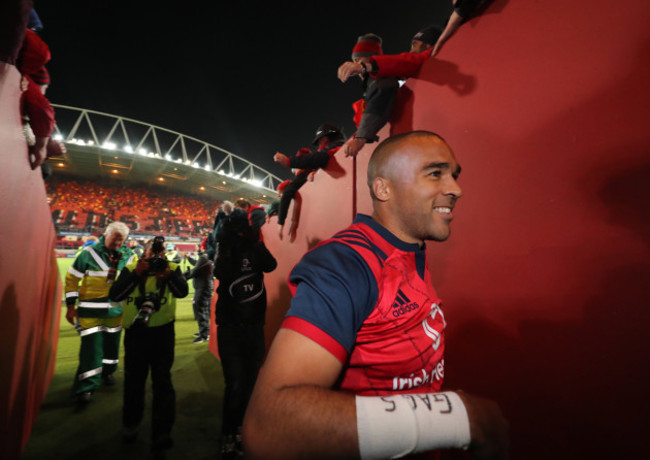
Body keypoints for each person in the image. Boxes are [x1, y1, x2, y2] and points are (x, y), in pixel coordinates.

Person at [243, 131, 509, 459]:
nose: (456, 189)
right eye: (435, 173)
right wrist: (457, 416)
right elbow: (270, 425)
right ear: (384, 188)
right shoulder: (346, 263)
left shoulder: (408, 250)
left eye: (454, 175)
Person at [109, 236, 189, 453]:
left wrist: (169, 275)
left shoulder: (172, 267)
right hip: (136, 333)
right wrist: (136, 275)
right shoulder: (132, 268)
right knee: (134, 381)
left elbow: (182, 292)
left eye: (159, 253)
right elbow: (115, 294)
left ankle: (162, 432)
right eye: (151, 253)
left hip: (163, 332)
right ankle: (130, 424)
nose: (155, 257)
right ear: (143, 253)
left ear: (164, 253)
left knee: (163, 382)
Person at [213, 210, 277, 459]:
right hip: (230, 329)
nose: (240, 234)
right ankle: (229, 433)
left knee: (250, 384)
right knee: (235, 384)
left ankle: (243, 430)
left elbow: (271, 265)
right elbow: (220, 272)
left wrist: (254, 243)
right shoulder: (224, 250)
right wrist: (228, 245)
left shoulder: (255, 248)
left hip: (254, 328)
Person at [65, 222, 134, 403]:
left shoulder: (130, 256)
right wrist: (71, 306)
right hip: (90, 311)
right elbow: (72, 279)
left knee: (112, 345)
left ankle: (108, 372)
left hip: (117, 312)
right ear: (106, 235)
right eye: (114, 240)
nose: (117, 244)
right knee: (91, 349)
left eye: (121, 241)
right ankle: (86, 387)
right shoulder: (88, 254)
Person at [273, 123, 346, 239]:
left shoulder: (333, 148)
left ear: (325, 138)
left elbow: (320, 157)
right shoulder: (339, 146)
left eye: (319, 142)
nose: (318, 146)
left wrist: (289, 161)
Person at [338, 33, 400, 158]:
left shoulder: (382, 79)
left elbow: (377, 104)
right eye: (355, 60)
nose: (355, 64)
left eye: (358, 59)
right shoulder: (372, 81)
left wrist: (360, 138)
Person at [337, 25, 443, 83]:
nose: (410, 51)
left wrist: (365, 67)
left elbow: (409, 61)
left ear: (428, 46)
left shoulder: (431, 57)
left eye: (414, 45)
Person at [185, 249, 214, 343]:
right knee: (204, 309)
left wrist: (183, 277)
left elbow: (195, 271)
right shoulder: (207, 258)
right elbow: (197, 265)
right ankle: (205, 332)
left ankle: (204, 335)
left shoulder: (204, 257)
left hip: (203, 287)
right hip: (205, 286)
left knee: (200, 309)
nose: (198, 249)